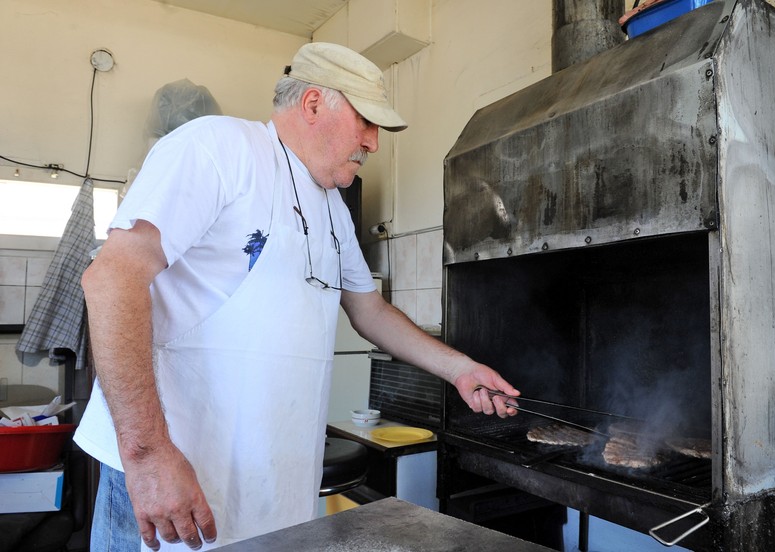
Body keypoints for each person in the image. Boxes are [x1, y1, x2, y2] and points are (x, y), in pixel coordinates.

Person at [74, 42, 520, 551]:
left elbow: (370, 310)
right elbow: (112, 279)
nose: (373, 143)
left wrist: (459, 369)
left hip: (270, 485)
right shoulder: (220, 147)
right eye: (366, 122)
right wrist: (148, 455)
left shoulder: (332, 207)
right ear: (312, 104)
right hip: (172, 475)